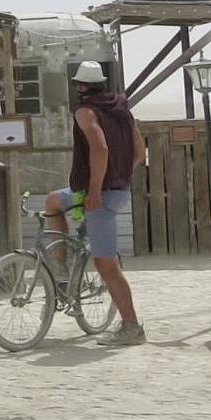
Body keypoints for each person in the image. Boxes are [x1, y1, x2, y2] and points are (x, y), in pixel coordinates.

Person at [42, 61, 144, 343]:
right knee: (53, 202)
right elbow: (139, 152)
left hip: (97, 195)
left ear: (80, 87)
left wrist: (98, 190)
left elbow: (100, 147)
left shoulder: (85, 112)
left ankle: (132, 326)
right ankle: (64, 273)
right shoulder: (123, 111)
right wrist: (121, 176)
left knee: (106, 264)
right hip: (103, 191)